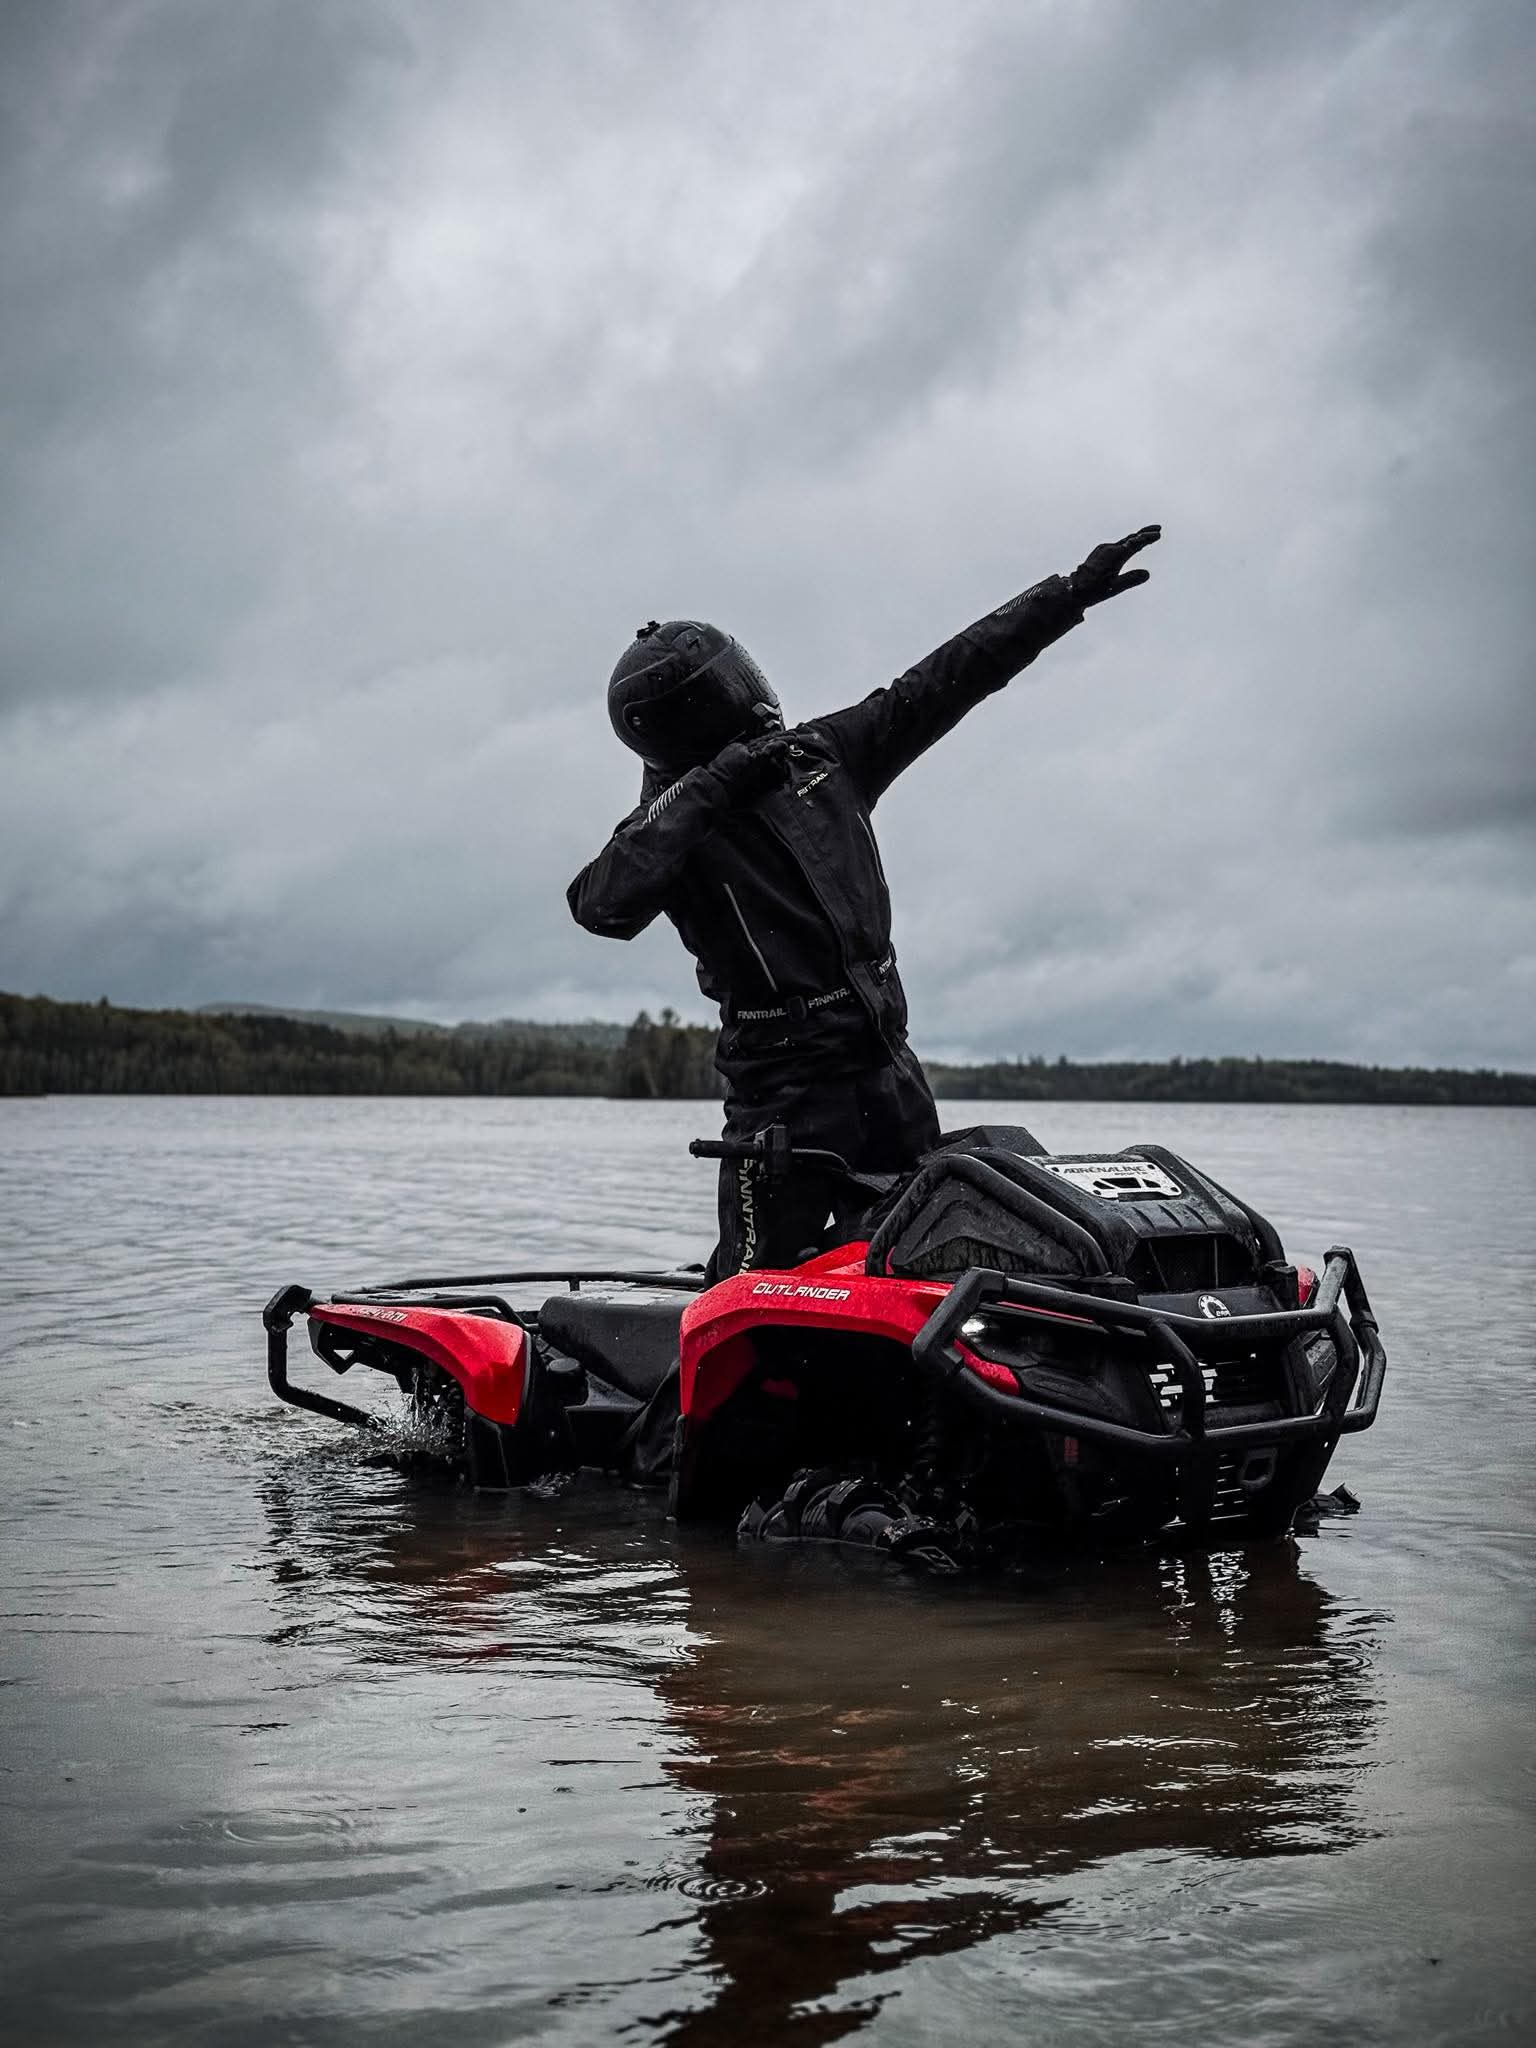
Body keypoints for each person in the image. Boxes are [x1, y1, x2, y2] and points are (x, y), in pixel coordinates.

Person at [568, 526, 1161, 1276]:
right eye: (729, 681)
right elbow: (598, 905)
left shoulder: (824, 755)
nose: (751, 687)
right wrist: (714, 788)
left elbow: (947, 678)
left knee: (930, 1261)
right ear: (704, 709)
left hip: (889, 1075)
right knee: (749, 1287)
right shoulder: (673, 827)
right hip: (782, 1105)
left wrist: (1066, 595)